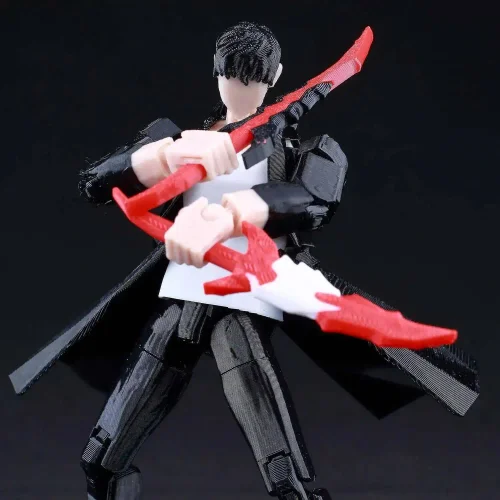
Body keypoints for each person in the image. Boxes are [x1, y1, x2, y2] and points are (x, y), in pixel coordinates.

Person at [9, 21, 478, 500]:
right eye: (232, 74)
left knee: (283, 476)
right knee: (100, 461)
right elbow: (95, 183)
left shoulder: (300, 150)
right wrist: (166, 156)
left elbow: (313, 199)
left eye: (252, 77)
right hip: (181, 298)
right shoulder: (178, 139)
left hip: (242, 299)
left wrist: (233, 214)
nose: (240, 86)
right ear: (217, 72)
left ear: (274, 78)